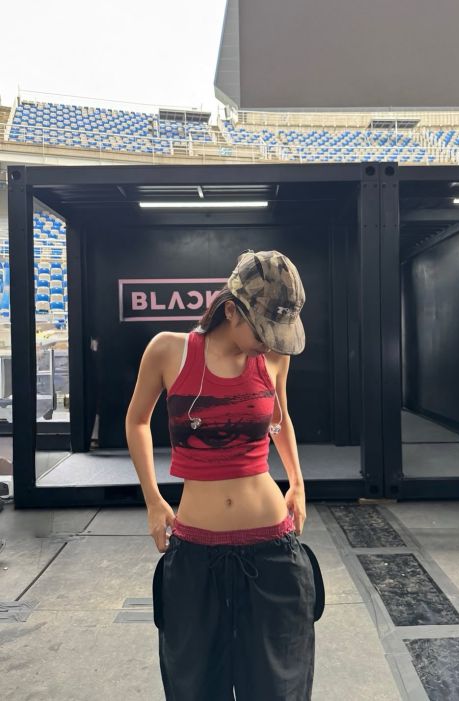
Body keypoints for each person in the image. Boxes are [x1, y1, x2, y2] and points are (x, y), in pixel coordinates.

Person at [125, 250, 321, 701]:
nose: (269, 341)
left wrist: (297, 482)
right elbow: (137, 421)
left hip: (272, 550)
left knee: (278, 688)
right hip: (196, 555)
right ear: (231, 310)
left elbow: (280, 419)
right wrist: (153, 499)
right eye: (263, 329)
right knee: (195, 687)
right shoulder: (168, 350)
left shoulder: (274, 357)